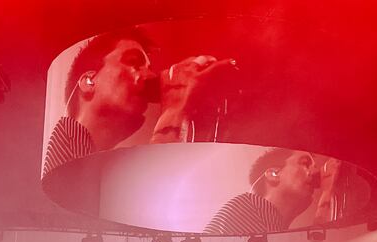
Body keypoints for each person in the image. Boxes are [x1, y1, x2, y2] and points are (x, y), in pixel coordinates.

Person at [42, 28, 238, 179]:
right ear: (88, 82)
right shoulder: (62, 161)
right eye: (134, 63)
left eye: (149, 68)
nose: (150, 76)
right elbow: (153, 199)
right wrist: (174, 110)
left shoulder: (108, 172)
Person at [203, 149, 332, 235]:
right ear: (273, 174)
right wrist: (326, 196)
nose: (315, 172)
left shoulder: (266, 226)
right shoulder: (248, 207)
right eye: (305, 164)